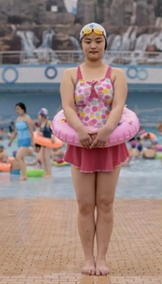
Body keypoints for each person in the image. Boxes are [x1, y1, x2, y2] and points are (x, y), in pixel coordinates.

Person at [59, 22, 131, 276]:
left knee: (106, 202)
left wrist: (107, 130)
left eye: (98, 41)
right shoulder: (70, 74)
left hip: (109, 143)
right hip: (81, 144)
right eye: (88, 41)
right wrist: (80, 130)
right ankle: (87, 259)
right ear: (81, 44)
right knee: (85, 204)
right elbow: (68, 107)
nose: (93, 45)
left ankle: (102, 258)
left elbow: (118, 106)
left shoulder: (116, 74)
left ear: (105, 44)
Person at [7, 102, 35, 181]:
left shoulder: (27, 118)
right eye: (16, 109)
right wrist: (10, 141)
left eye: (18, 109)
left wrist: (33, 141)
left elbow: (31, 130)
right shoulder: (18, 119)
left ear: (23, 109)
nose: (17, 111)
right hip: (20, 140)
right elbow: (15, 132)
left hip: (26, 139)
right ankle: (23, 175)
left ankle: (24, 175)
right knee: (22, 159)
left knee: (18, 157)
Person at [37, 108, 54, 177]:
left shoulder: (48, 122)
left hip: (48, 142)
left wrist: (53, 137)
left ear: (43, 115)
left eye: (39, 115)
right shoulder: (41, 124)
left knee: (46, 157)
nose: (38, 117)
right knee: (42, 157)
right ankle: (46, 171)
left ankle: (49, 173)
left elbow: (53, 131)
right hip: (43, 143)